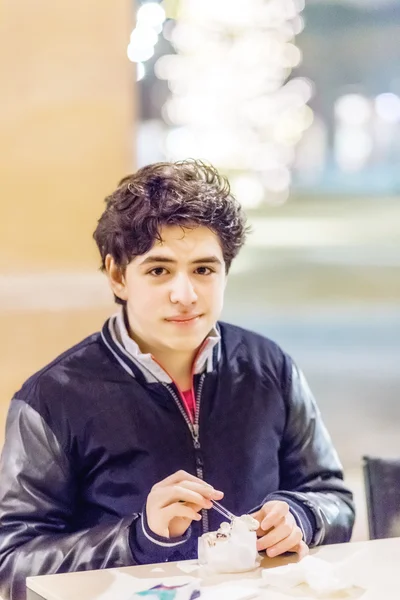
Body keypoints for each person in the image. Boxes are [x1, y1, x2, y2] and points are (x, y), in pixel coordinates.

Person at [0, 160, 355, 600]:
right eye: (159, 270)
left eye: (204, 270)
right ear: (117, 275)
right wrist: (140, 538)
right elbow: (12, 562)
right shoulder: (51, 397)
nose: (185, 294)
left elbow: (332, 497)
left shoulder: (270, 368)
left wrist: (301, 516)